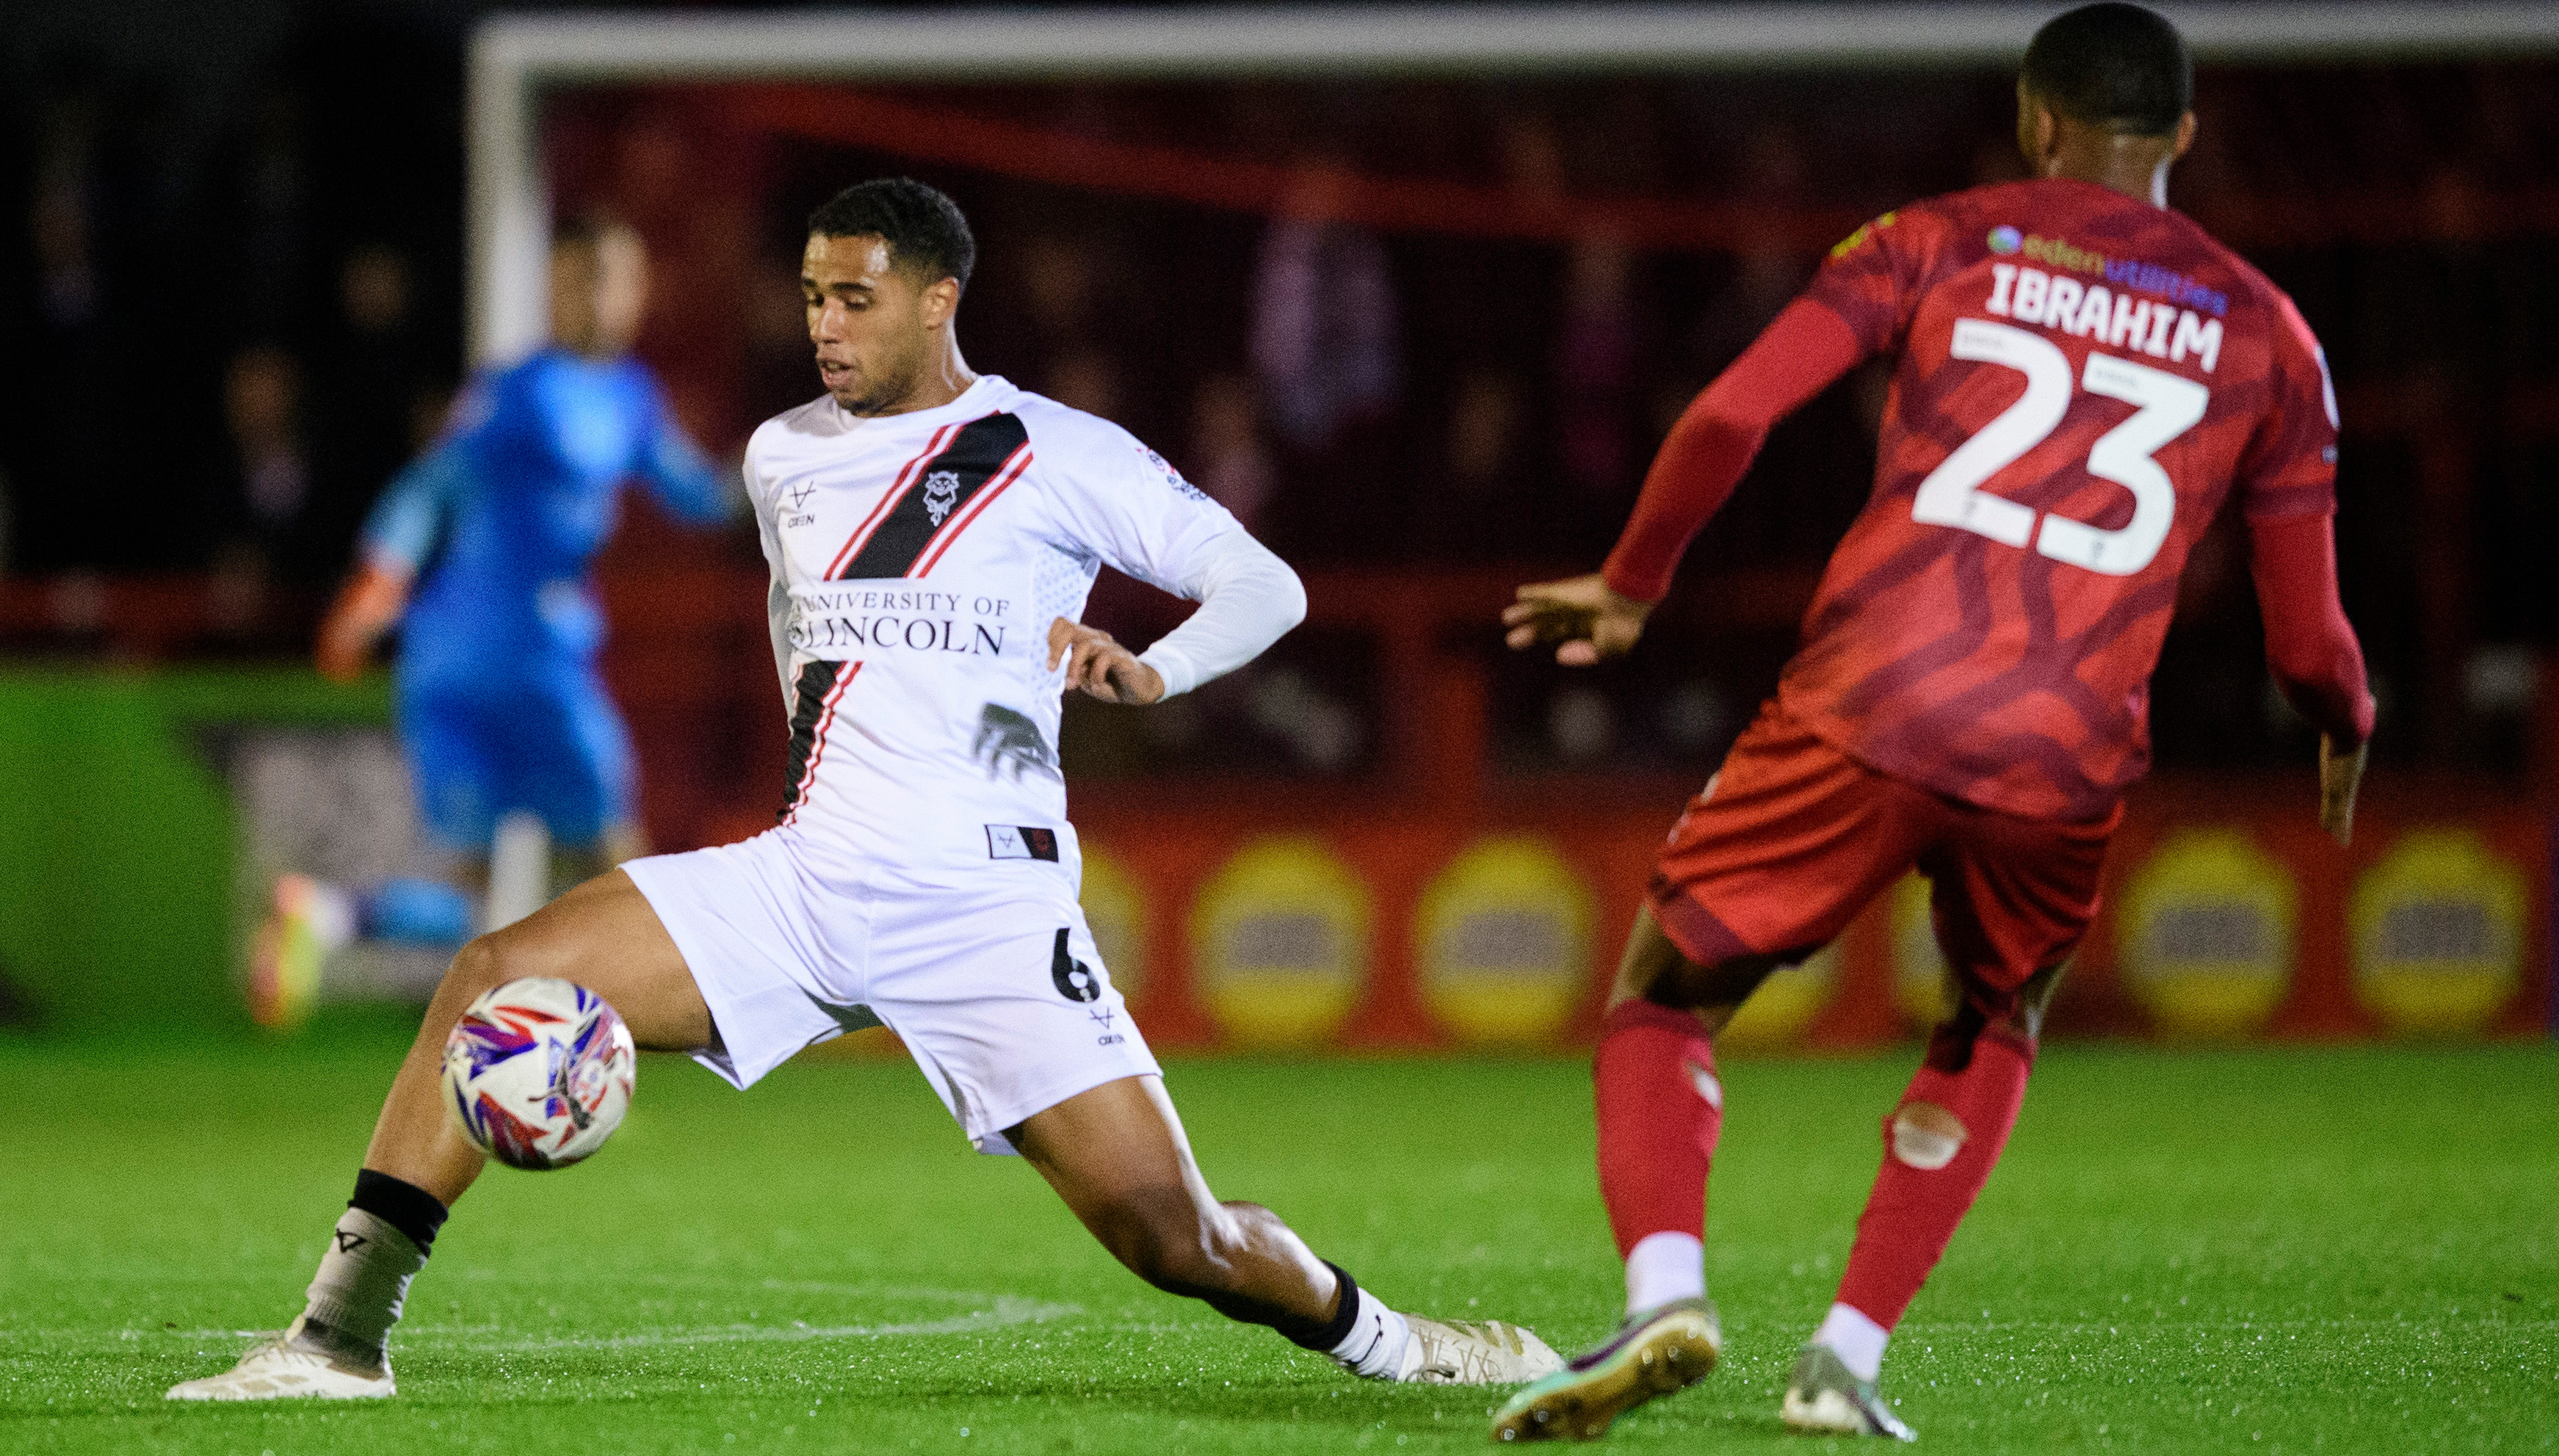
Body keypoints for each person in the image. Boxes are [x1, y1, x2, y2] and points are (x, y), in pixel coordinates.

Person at [170, 178, 1561, 1402]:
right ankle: (335, 1338)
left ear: (941, 298)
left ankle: (1396, 1339)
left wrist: (1159, 665)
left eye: (855, 298)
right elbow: (805, 637)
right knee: (494, 967)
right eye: (811, 298)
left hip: (986, 905)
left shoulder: (1057, 451)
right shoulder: (783, 458)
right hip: (811, 871)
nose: (825, 324)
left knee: (1173, 1234)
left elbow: (1267, 580)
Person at [1491, 5, 2372, 1441]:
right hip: (2062, 746)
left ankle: (1664, 1296)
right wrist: (2344, 715)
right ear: (2181, 140)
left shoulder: (1936, 237)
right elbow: (2304, 640)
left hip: (1870, 694)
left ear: (2035, 121)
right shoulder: (2271, 338)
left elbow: (1726, 415)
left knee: (1663, 988)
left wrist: (1631, 583)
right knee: (1992, 1016)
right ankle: (1840, 1360)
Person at [247, 217, 739, 1027]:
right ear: (554, 287)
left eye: (614, 280)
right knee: (615, 855)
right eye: (584, 279)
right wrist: (378, 577)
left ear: (640, 292)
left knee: (470, 897)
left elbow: (696, 498)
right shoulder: (519, 390)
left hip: (466, 657)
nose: (599, 299)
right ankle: (642, 1029)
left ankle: (326, 914)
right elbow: (431, 486)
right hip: (518, 660)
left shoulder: (630, 400)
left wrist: (787, 473)